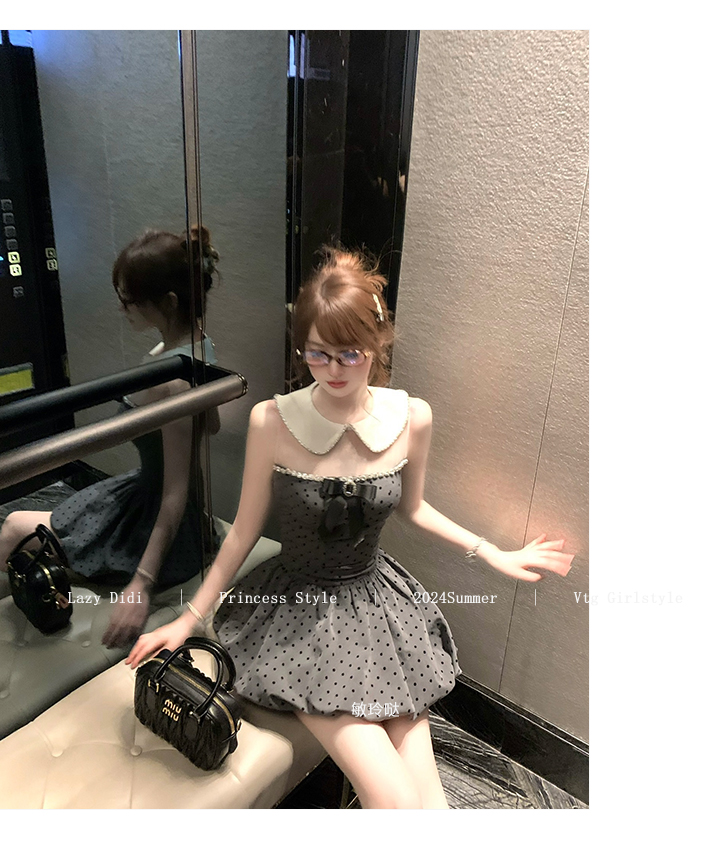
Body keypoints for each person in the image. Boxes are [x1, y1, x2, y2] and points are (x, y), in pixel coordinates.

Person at [126, 246, 574, 809]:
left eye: (349, 354)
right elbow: (242, 532)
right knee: (395, 803)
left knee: (431, 808)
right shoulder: (273, 421)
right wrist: (188, 619)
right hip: (298, 618)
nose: (333, 370)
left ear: (377, 344)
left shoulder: (412, 417)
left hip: (379, 609)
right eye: (317, 354)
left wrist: (494, 552)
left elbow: (414, 508)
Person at [0, 226, 221, 647]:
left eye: (131, 300)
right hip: (142, 493)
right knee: (25, 531)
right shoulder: (197, 348)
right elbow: (211, 427)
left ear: (168, 302)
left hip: (158, 518)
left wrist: (142, 583)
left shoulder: (173, 380)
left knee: (13, 527)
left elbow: (174, 493)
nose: (123, 309)